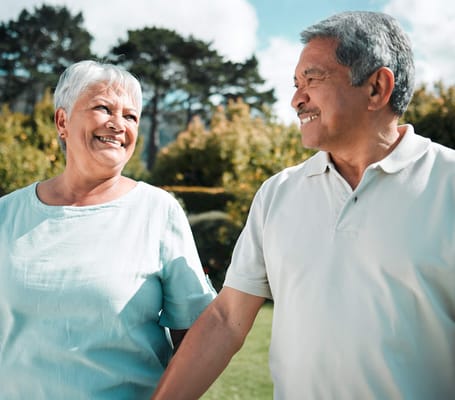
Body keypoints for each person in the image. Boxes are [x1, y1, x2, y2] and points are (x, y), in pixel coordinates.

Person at [151, 11, 455, 400]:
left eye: (312, 79)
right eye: (296, 84)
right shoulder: (277, 193)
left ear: (377, 87)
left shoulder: (446, 184)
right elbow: (227, 320)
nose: (296, 99)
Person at [0, 60, 216, 399]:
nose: (118, 125)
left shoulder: (157, 211)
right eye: (103, 108)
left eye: (130, 116)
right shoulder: (6, 213)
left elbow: (198, 338)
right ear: (62, 121)